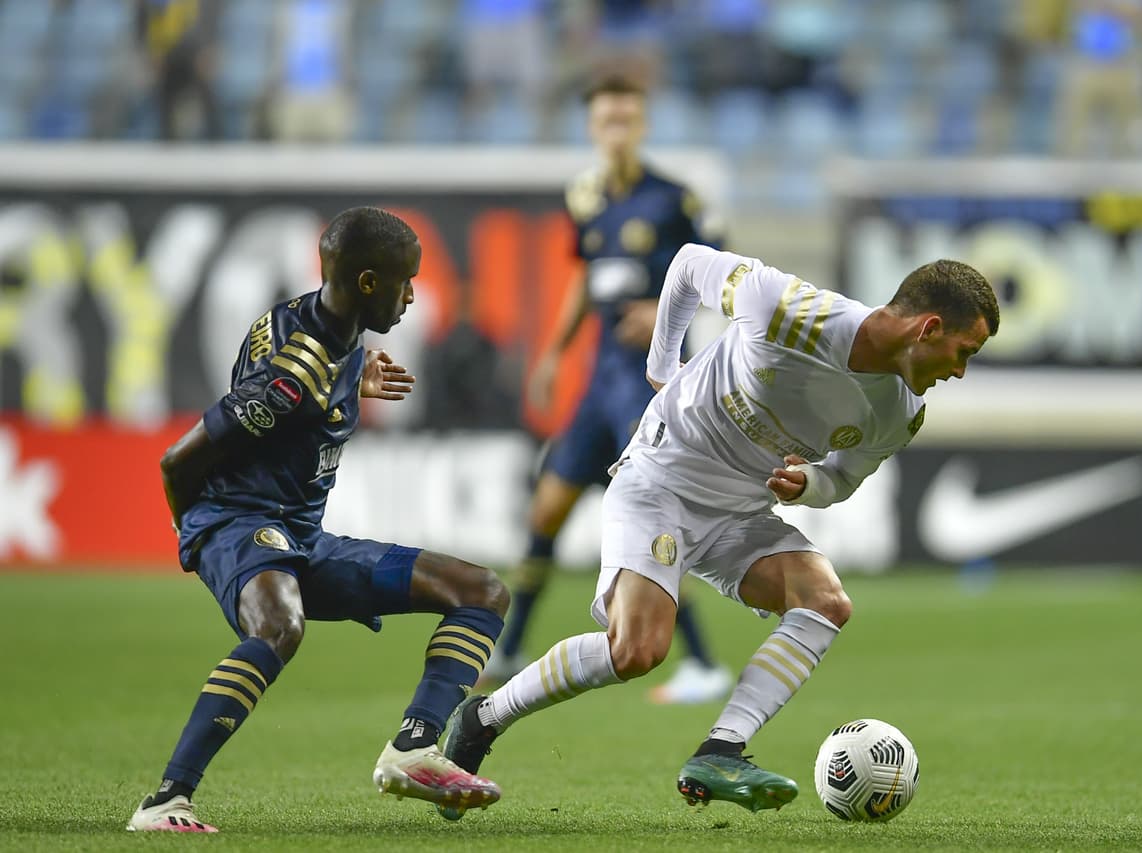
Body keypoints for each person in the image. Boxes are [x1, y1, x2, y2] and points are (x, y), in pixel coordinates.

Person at [440, 243, 999, 816]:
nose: (959, 371)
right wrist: (661, 363)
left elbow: (844, 478)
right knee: (636, 650)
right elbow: (684, 266)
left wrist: (809, 487)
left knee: (825, 600)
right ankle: (483, 717)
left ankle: (721, 749)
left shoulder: (899, 411)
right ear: (928, 327)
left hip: (740, 514)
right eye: (965, 352)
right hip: (662, 480)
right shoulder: (789, 309)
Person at [126, 207, 509, 833]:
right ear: (366, 282)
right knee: (280, 624)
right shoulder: (290, 371)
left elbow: (319, 388)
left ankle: (414, 749)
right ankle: (166, 801)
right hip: (238, 525)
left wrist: (351, 380)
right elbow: (178, 461)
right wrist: (195, 534)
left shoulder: (338, 337)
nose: (413, 295)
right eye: (404, 281)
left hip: (301, 538)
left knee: (481, 591)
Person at [484, 75, 730, 705]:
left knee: (654, 522)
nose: (616, 130)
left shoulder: (677, 201)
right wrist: (553, 353)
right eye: (605, 121)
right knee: (547, 509)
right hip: (599, 383)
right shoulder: (586, 198)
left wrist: (664, 312)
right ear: (592, 128)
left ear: (642, 125)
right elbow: (584, 277)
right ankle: (509, 649)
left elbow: (726, 277)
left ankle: (703, 664)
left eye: (627, 119)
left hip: (651, 384)